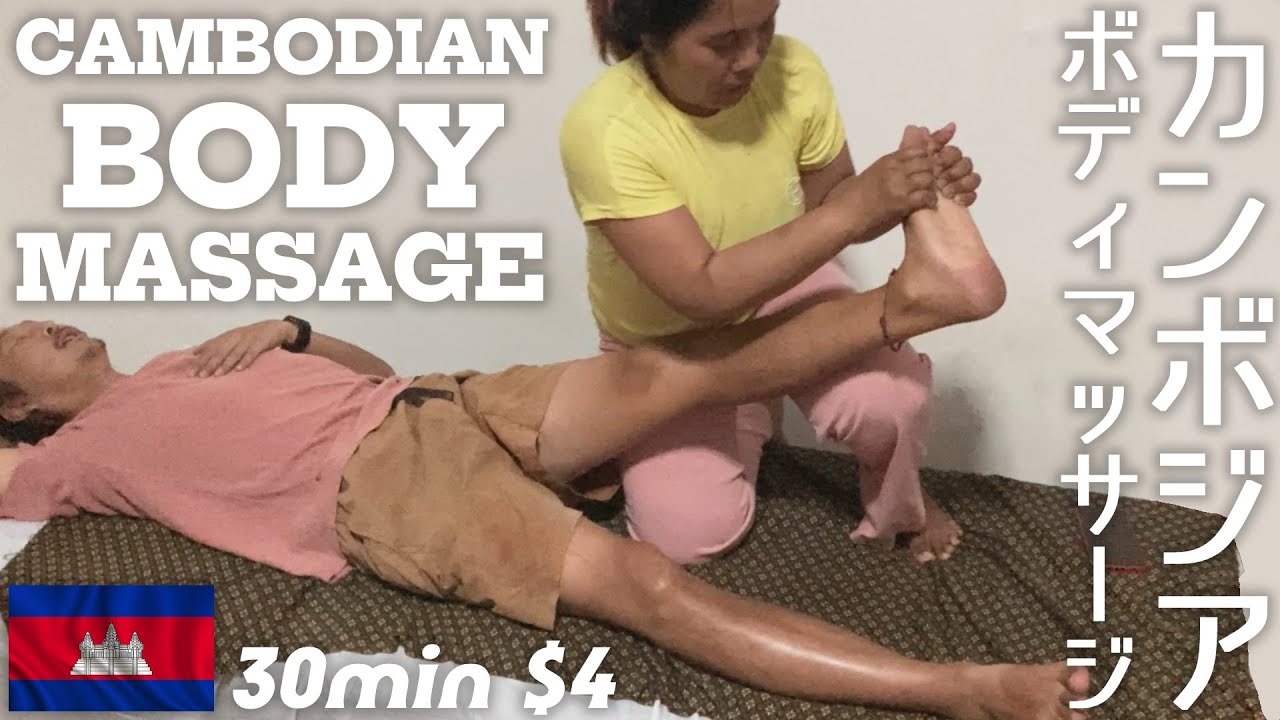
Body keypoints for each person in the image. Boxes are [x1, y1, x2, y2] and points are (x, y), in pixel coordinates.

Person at [0, 151, 1087, 718]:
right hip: (386, 493)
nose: (49, 323)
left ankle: (918, 297)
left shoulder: (189, 360)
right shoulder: (67, 459)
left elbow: (371, 374)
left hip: (438, 398)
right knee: (650, 587)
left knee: (671, 366)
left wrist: (292, 329)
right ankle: (960, 688)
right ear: (16, 408)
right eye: (23, 341)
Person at [560, 0, 986, 565]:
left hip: (788, 290)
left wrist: (904, 187)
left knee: (889, 402)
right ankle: (752, 401)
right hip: (670, 342)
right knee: (688, 539)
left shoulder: (794, 71)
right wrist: (853, 210)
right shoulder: (606, 129)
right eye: (723, 42)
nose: (752, 57)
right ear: (651, 37)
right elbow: (702, 292)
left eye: (766, 24)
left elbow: (834, 202)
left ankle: (899, 496)